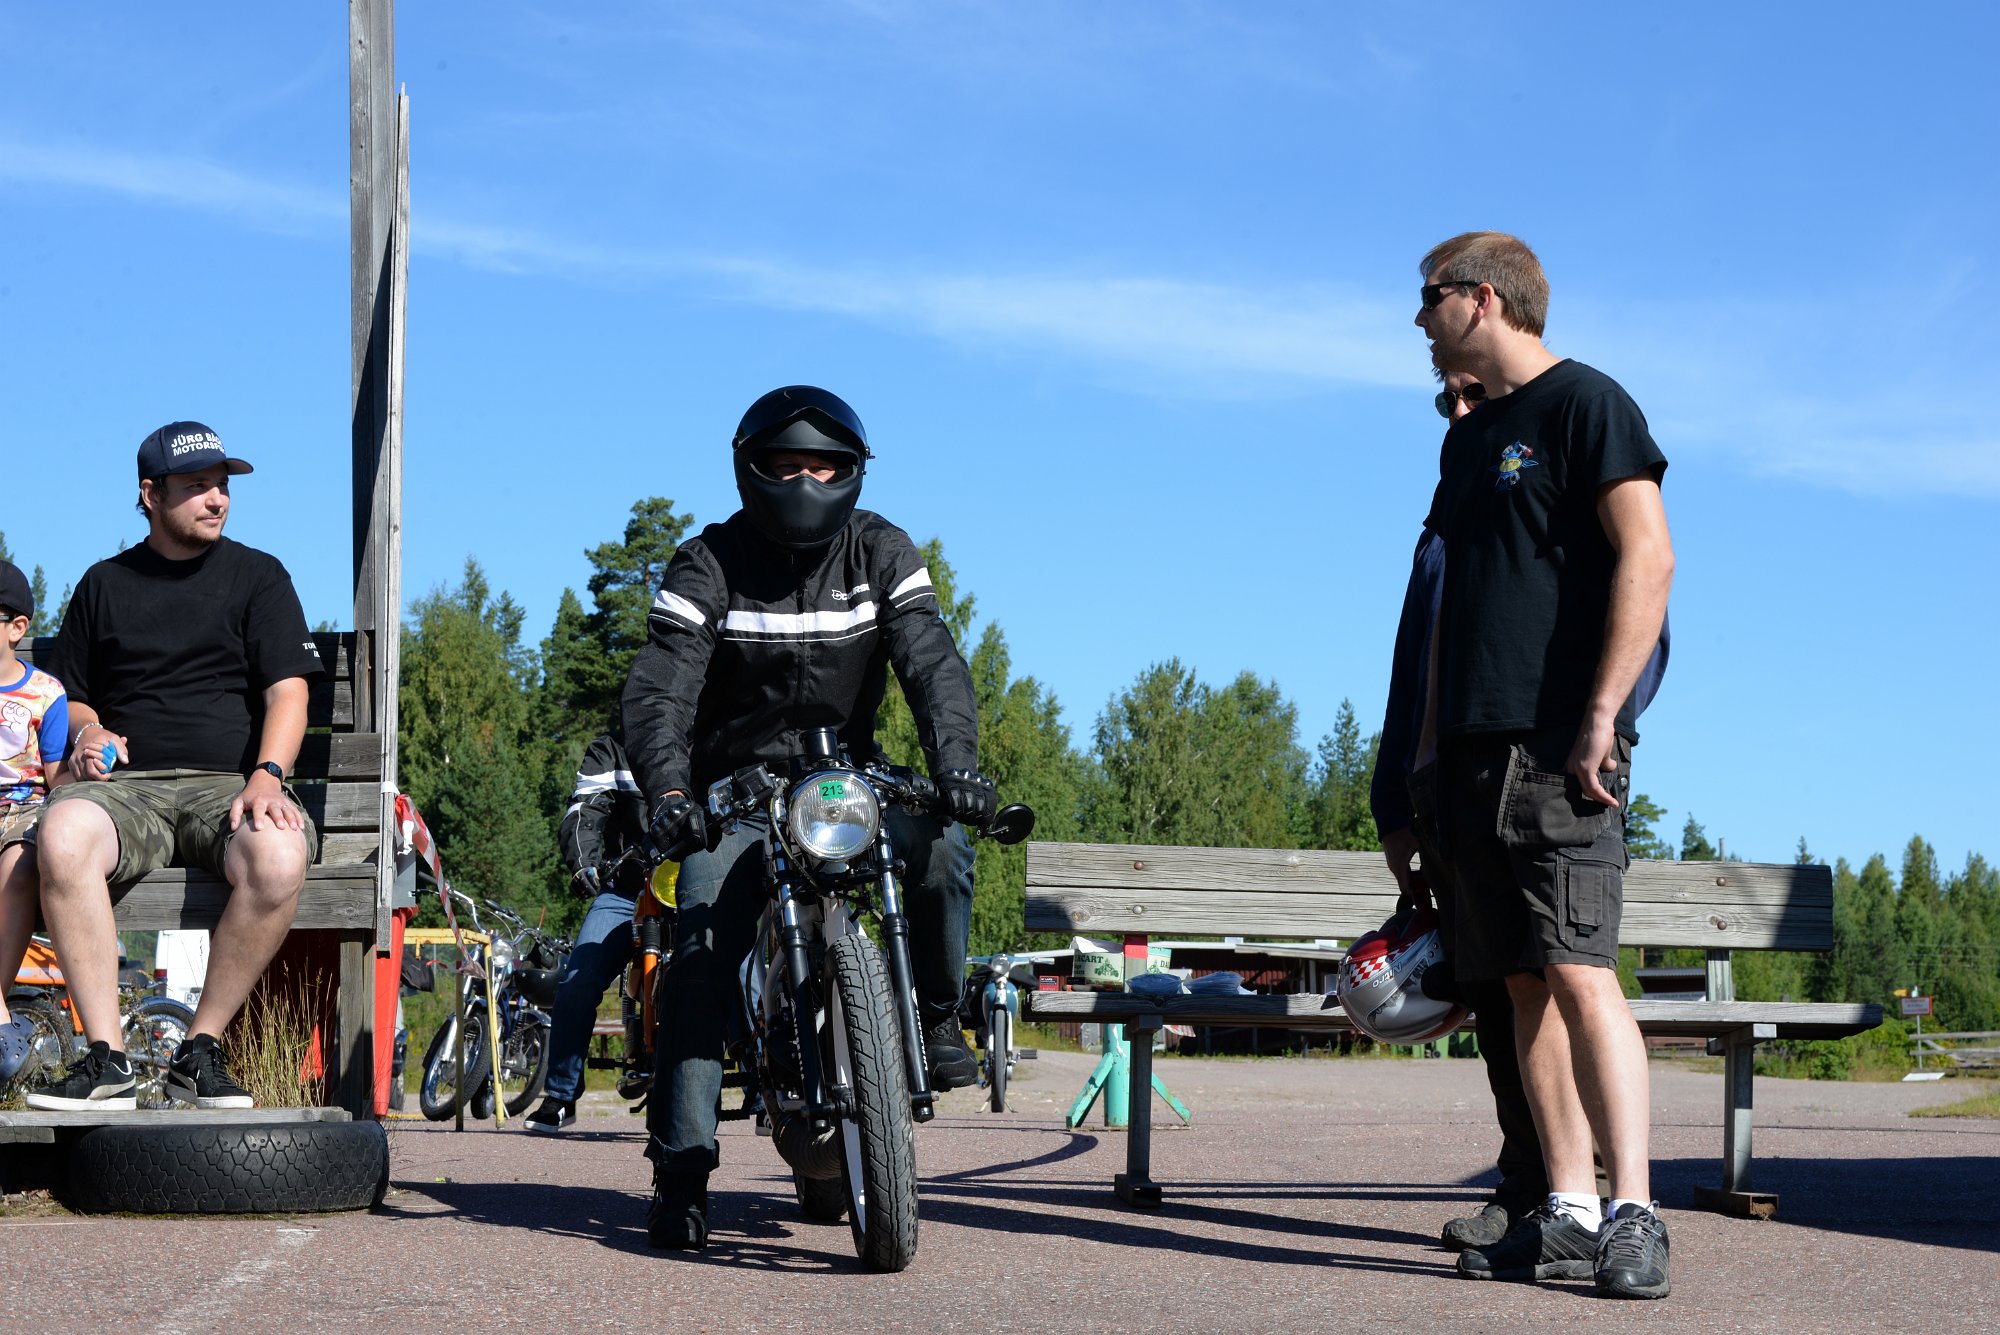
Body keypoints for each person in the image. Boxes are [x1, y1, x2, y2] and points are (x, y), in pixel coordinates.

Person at [622, 385, 991, 1251]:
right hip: (739, 796)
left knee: (944, 850)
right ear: (751, 469)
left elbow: (932, 660)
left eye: (823, 466)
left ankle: (937, 1014)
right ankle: (681, 1174)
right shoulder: (707, 562)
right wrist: (671, 793)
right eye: (786, 464)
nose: (805, 481)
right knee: (700, 940)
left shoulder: (882, 550)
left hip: (847, 783)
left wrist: (957, 766)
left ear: (853, 472)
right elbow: (660, 688)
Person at [1411, 233, 1676, 1300]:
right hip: (1469, 755)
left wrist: (1603, 713)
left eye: (1427, 299)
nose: (1417, 321)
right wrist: (1427, 748)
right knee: (1520, 984)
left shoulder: (1587, 404)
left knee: (1578, 971)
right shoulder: (1468, 439)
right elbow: (1448, 605)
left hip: (1559, 745)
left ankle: (1634, 1212)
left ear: (1480, 298)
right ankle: (1565, 1208)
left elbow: (1649, 554)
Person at [28, 422, 324, 1112]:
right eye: (197, 486)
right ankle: (107, 1059)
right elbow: (71, 697)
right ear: (150, 494)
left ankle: (198, 1050)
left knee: (280, 854)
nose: (217, 499)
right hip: (125, 791)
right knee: (61, 835)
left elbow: (289, 692)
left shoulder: (259, 576)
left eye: (222, 485)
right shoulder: (104, 584)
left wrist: (268, 774)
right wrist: (89, 729)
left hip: (228, 788)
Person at [524, 727, 649, 1133]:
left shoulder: (713, 735)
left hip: (694, 886)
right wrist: (583, 862)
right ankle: (561, 1094)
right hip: (626, 889)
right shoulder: (613, 747)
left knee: (740, 968)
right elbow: (584, 810)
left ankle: (763, 1087)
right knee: (577, 980)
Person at [0, 560, 71, 1084]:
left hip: (22, 810)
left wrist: (88, 768)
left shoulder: (46, 693)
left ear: (17, 627)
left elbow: (55, 776)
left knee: (21, 867)